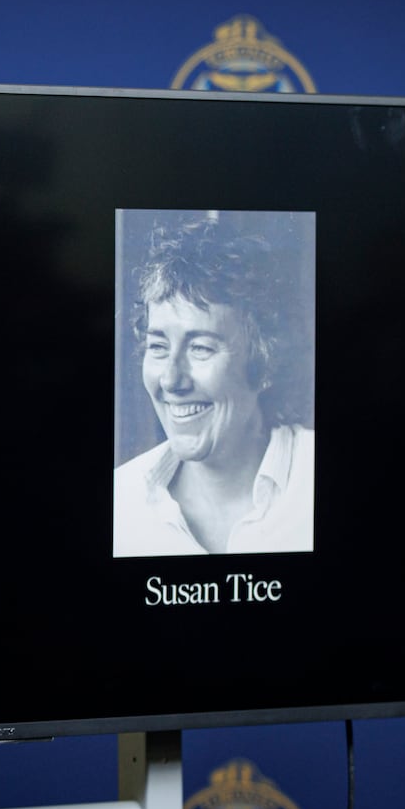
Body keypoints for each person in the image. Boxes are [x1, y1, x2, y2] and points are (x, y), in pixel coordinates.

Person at [114, 214, 313, 556]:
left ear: (266, 361)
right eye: (158, 347)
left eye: (200, 347)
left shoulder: (316, 477)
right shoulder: (122, 499)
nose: (171, 380)